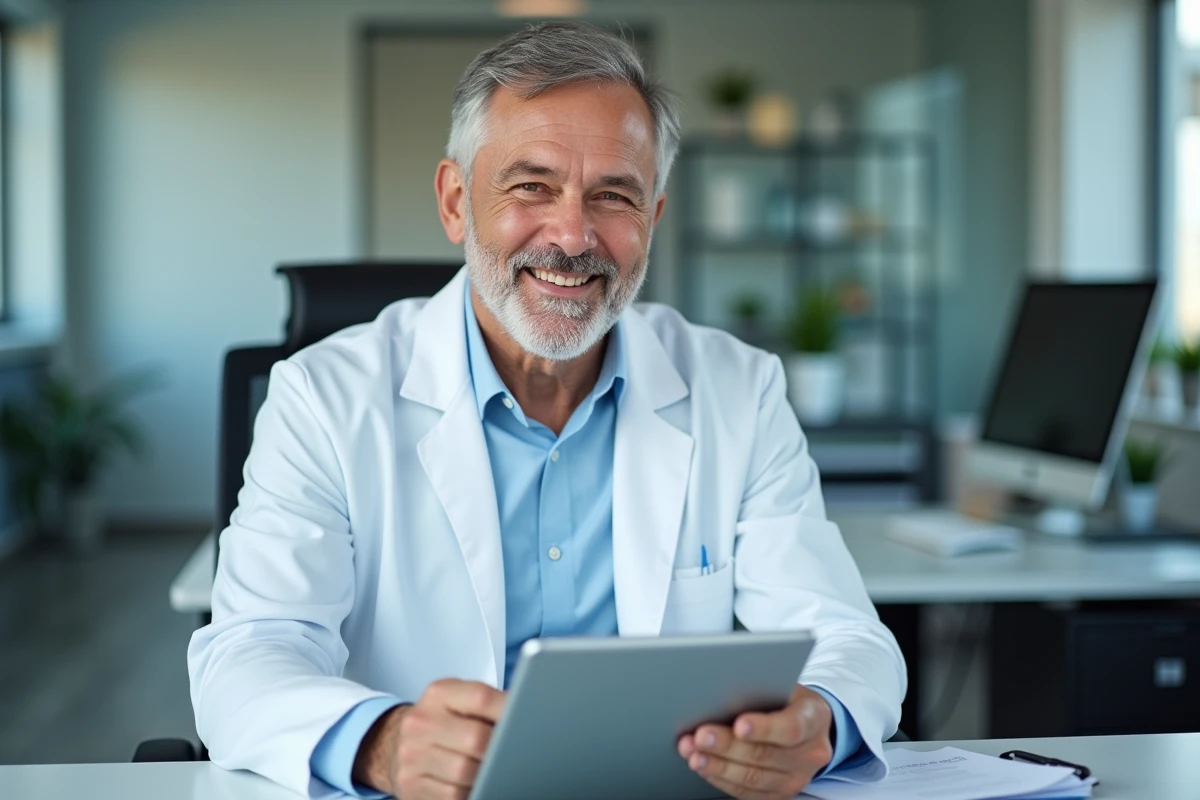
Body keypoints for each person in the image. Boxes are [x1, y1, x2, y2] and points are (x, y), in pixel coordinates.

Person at [188, 21, 904, 800]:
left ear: (654, 218)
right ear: (456, 202)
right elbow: (247, 657)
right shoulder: (323, 396)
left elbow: (848, 638)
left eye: (614, 196)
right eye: (531, 187)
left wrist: (819, 721)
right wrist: (382, 743)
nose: (571, 236)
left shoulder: (738, 388)